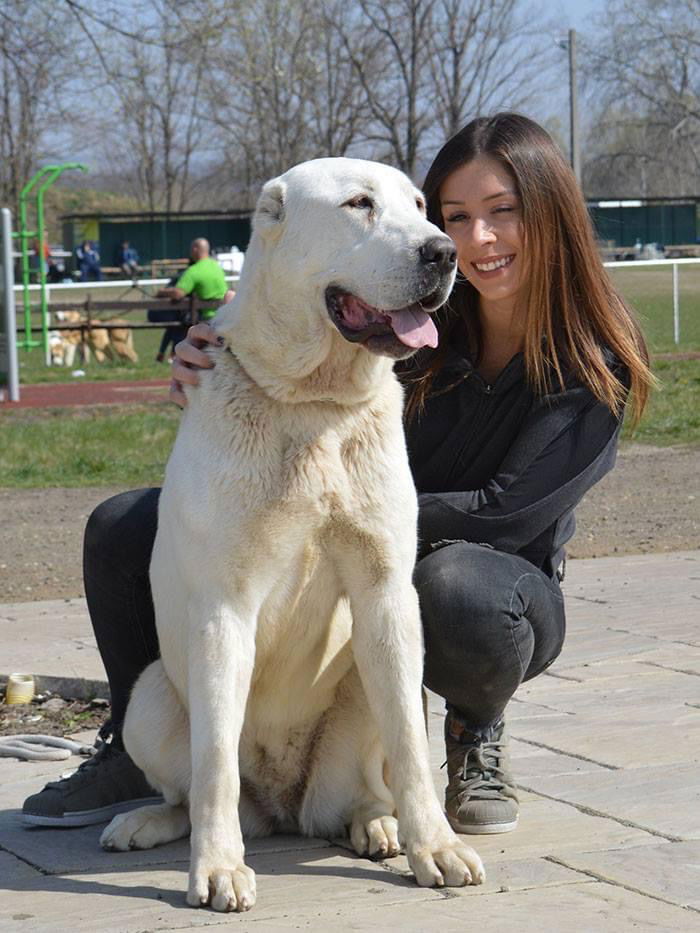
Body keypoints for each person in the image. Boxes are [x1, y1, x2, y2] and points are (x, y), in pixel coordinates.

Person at [23, 113, 651, 834]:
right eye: (453, 216)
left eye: (502, 213)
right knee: (124, 525)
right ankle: (142, 756)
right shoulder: (411, 312)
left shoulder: (592, 363)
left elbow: (503, 510)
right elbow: (285, 320)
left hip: (502, 580)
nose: (468, 242)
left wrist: (329, 512)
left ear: (552, 218)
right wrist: (210, 352)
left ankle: (476, 735)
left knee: (447, 586)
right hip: (362, 535)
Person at [155, 237, 234, 322]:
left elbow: (178, 293)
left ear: (195, 249)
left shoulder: (194, 270)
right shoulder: (217, 267)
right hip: (224, 315)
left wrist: (161, 292)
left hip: (207, 318)